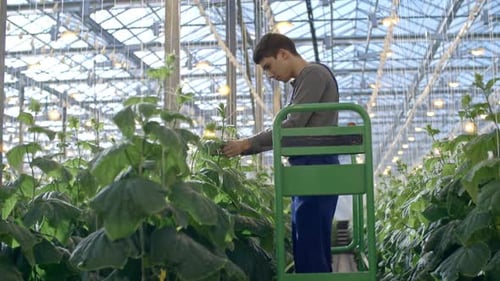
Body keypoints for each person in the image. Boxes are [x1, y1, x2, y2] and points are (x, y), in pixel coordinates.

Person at [222, 33, 340, 273]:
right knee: (308, 239)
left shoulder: (313, 74)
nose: (269, 74)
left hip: (316, 167)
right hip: (308, 168)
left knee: (310, 242)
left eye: (268, 66)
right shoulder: (301, 82)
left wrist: (247, 144)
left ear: (283, 54)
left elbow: (292, 126)